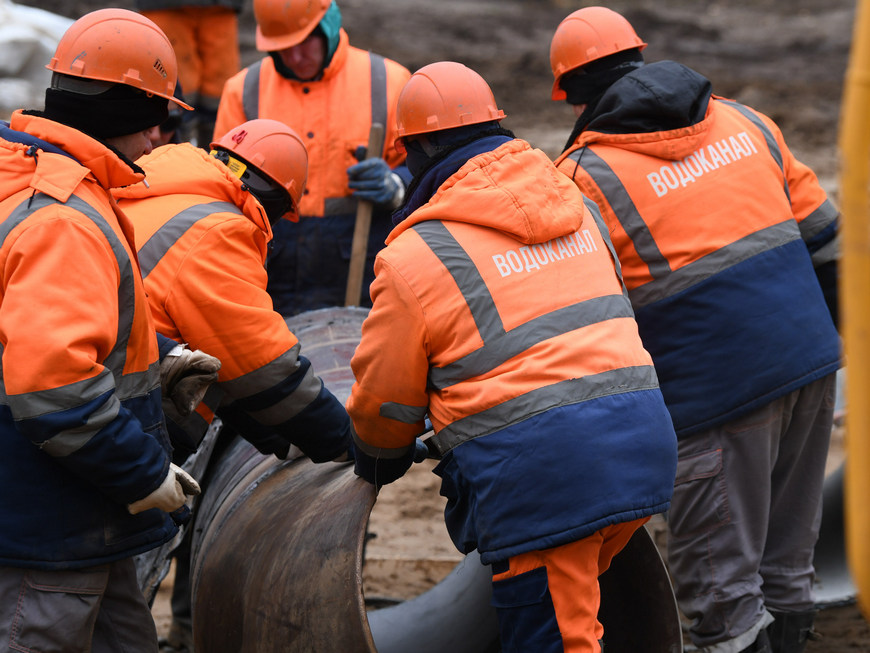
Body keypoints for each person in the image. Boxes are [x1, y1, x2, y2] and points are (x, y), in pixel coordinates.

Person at [345, 61, 678, 653]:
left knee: (555, 637)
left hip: (548, 478)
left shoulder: (415, 256)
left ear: (417, 150)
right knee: (578, 613)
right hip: (641, 447)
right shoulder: (574, 202)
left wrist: (376, 458)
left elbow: (385, 402)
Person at [547, 7, 841, 653]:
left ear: (569, 94)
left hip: (716, 398)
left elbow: (586, 323)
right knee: (787, 565)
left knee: (721, 594)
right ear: (640, 56)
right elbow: (830, 242)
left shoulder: (581, 179)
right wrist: (813, 348)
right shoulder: (746, 120)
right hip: (812, 368)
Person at [0, 8, 204, 652]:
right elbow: (56, 390)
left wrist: (157, 363)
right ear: (117, 115)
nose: (157, 139)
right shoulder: (63, 218)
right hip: (48, 529)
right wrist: (146, 474)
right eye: (152, 119)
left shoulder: (32, 176)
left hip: (85, 514)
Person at [114, 118, 355, 651]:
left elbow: (212, 358)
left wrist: (272, 435)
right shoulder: (217, 229)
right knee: (102, 581)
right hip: (127, 427)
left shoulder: (156, 184)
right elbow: (264, 365)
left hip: (89, 401)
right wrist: (343, 439)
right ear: (271, 200)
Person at [214, 0, 412, 316]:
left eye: (304, 41)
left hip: (362, 268)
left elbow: (428, 172)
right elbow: (218, 185)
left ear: (328, 26)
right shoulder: (243, 90)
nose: (294, 57)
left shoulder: (390, 81)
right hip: (271, 268)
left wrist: (397, 186)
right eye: (282, 47)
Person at [134, 0, 243, 146]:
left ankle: (219, 155)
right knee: (172, 92)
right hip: (163, 7)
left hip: (222, 8)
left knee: (221, 94)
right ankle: (177, 155)